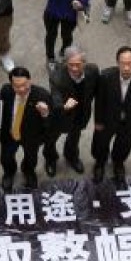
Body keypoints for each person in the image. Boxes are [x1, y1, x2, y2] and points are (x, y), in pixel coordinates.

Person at [92, 46, 131, 186]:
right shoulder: (105, 76)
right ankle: (100, 163)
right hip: (108, 119)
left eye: (130, 63)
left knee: (123, 145)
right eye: (123, 63)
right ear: (117, 62)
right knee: (100, 143)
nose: (126, 68)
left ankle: (118, 163)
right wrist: (98, 121)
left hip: (130, 122)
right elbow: (100, 100)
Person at [45, 46, 98, 175]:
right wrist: (64, 106)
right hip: (60, 115)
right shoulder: (56, 77)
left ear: (84, 63)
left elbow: (97, 89)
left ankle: (71, 156)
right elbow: (55, 98)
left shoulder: (93, 70)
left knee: (74, 137)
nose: (74, 68)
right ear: (65, 63)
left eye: (78, 64)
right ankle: (51, 159)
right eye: (70, 65)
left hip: (81, 113)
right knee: (51, 139)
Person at [0, 67, 52, 191]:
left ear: (30, 81)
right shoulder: (6, 91)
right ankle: (9, 173)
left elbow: (51, 121)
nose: (21, 89)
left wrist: (45, 113)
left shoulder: (42, 95)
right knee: (6, 157)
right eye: (17, 86)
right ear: (11, 85)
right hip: (10, 134)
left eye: (24, 85)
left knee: (31, 158)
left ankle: (28, 172)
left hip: (31, 136)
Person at [38, 0, 91, 64]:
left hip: (69, 16)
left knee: (67, 36)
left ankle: (65, 52)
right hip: (52, 12)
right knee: (51, 35)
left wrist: (79, 5)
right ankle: (50, 57)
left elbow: (84, 4)